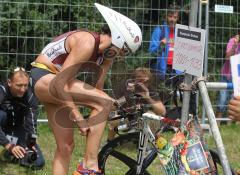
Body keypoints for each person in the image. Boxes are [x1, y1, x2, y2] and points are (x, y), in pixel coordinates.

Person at [29, 3, 142, 175]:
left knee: (66, 147)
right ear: (117, 38)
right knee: (103, 102)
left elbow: (97, 88)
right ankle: (89, 166)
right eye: (124, 50)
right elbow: (61, 83)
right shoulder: (87, 42)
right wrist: (78, 116)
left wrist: (105, 111)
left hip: (54, 83)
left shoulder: (106, 55)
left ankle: (87, 165)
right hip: (45, 77)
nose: (122, 55)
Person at [0, 67, 45, 170]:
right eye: (19, 85)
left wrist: (31, 142)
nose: (23, 89)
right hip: (1, 127)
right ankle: (10, 149)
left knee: (38, 162)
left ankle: (11, 155)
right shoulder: (1, 91)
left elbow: (31, 123)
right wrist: (8, 144)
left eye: (25, 85)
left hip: (16, 129)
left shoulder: (30, 96)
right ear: (9, 82)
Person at [107, 67, 166, 141]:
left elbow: (162, 112)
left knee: (151, 115)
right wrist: (128, 96)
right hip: (127, 120)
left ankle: (149, 141)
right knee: (113, 116)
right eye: (139, 80)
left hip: (143, 122)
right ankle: (109, 142)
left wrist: (147, 97)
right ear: (134, 80)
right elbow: (111, 107)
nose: (142, 84)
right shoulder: (125, 87)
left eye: (145, 81)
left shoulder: (150, 90)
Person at [148, 4, 181, 82]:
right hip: (162, 71)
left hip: (177, 72)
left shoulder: (181, 33)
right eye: (170, 16)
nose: (172, 19)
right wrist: (160, 45)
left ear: (178, 18)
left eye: (175, 17)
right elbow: (151, 52)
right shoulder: (159, 30)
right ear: (166, 16)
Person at [216, 33, 240, 125]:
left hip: (238, 78)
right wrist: (235, 45)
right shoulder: (232, 41)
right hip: (226, 76)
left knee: (234, 101)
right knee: (222, 100)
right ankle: (217, 124)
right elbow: (227, 57)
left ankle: (229, 126)